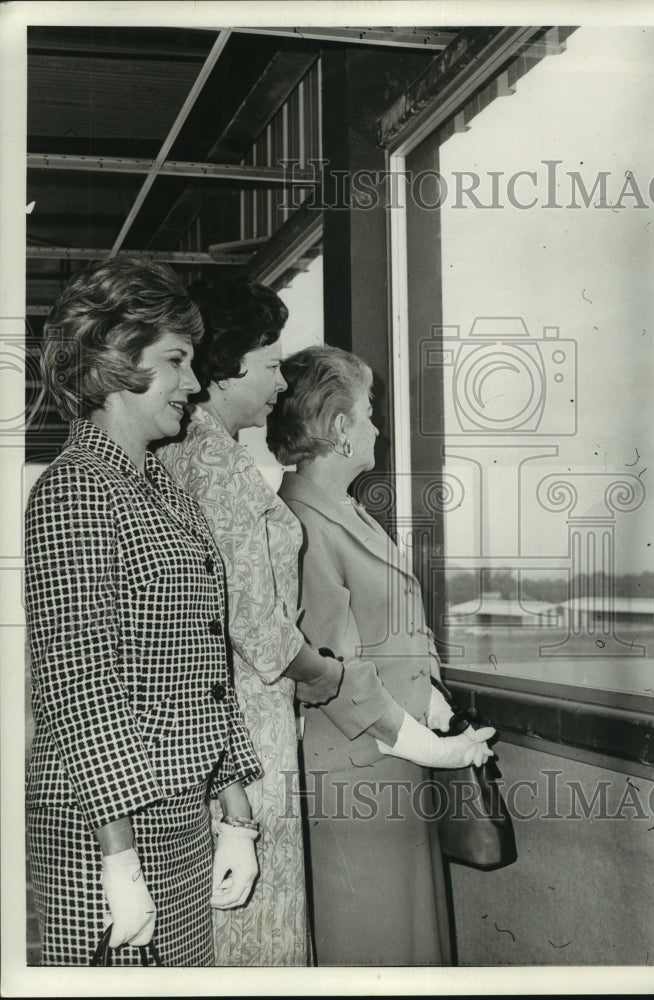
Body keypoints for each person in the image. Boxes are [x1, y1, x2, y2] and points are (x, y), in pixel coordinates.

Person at [25, 258, 262, 967]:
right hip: (106, 830)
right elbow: (81, 688)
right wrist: (120, 862)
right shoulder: (77, 492)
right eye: (175, 361)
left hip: (180, 818)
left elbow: (203, 663)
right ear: (111, 364)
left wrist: (237, 814)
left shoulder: (160, 486)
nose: (193, 384)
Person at [267, 345, 495, 966]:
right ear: (339, 429)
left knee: (412, 942)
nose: (378, 427)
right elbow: (331, 671)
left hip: (394, 759)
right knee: (377, 947)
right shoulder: (298, 523)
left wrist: (437, 711)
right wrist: (433, 746)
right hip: (359, 772)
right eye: (369, 412)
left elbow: (392, 637)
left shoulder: (348, 514)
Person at [156, 276, 345, 966]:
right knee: (258, 917)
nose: (280, 383)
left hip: (216, 719)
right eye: (270, 364)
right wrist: (322, 672)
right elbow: (250, 621)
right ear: (224, 367)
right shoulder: (215, 464)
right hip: (247, 722)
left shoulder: (192, 452)